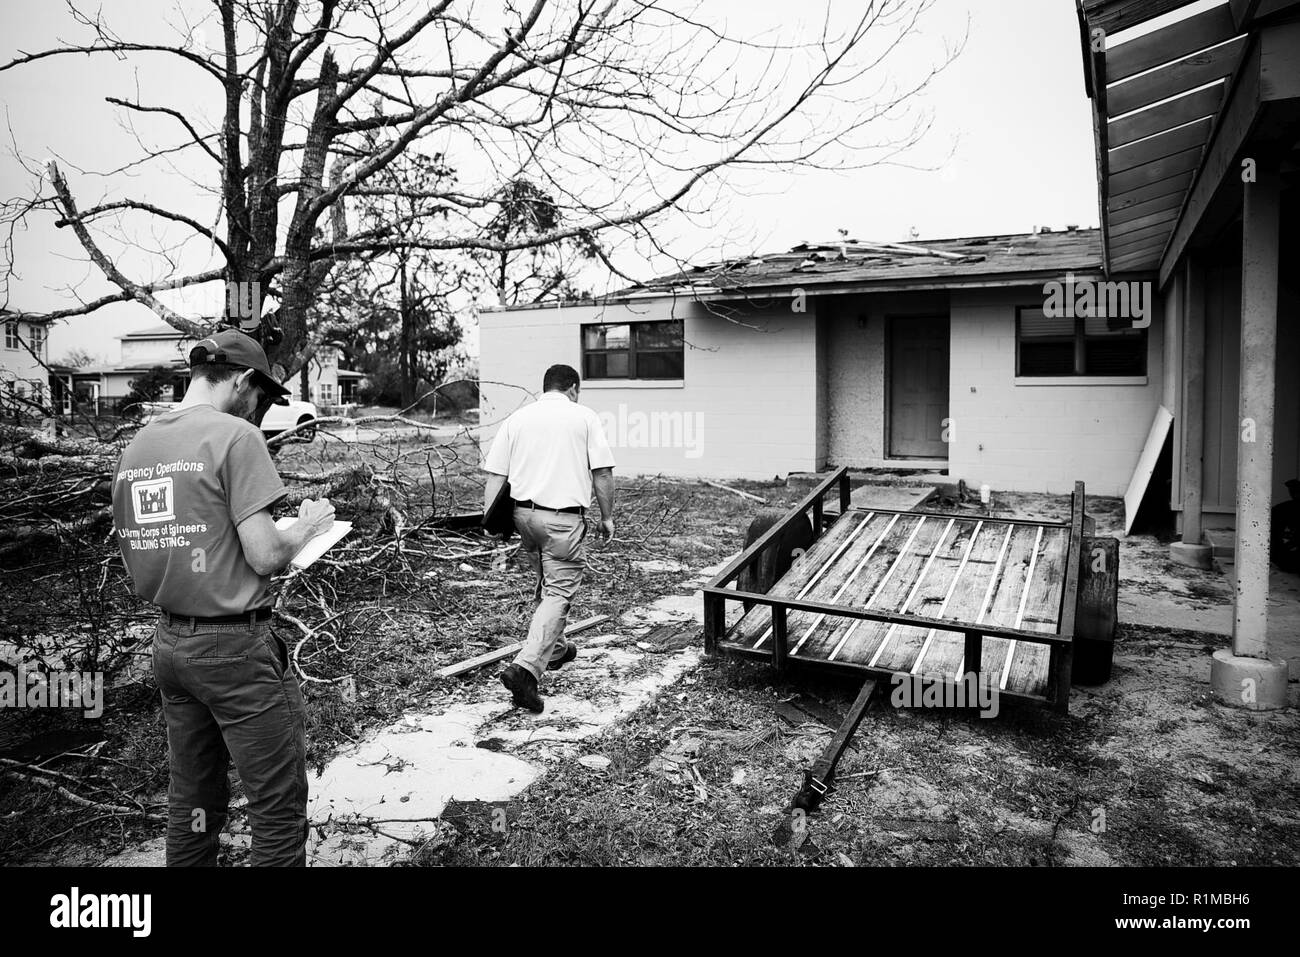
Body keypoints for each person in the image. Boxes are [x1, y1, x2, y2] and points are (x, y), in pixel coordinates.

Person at [111, 329, 335, 866]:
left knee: (193, 802)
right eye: (260, 397)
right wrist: (305, 529)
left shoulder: (138, 447)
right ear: (242, 380)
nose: (257, 410)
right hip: (235, 650)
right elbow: (264, 556)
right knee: (276, 804)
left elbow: (157, 546)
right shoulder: (235, 437)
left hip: (171, 646)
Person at [483, 364, 616, 713]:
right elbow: (601, 471)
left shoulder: (517, 419)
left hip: (523, 518)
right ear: (572, 388)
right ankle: (525, 670)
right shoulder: (584, 416)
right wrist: (606, 517)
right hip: (562, 521)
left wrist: (491, 524)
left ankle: (556, 649)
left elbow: (496, 476)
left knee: (546, 585)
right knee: (559, 591)